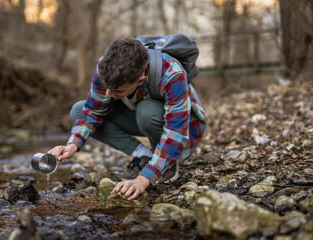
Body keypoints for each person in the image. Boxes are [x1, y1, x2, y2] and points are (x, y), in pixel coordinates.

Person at [48, 37, 206, 201]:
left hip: (181, 127)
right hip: (139, 116)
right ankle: (143, 155)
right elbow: (93, 110)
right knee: (78, 110)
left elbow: (176, 134)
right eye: (107, 88)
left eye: (117, 90)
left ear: (140, 81)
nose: (108, 94)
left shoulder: (172, 74)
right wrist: (72, 145)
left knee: (147, 111)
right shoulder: (106, 67)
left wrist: (143, 179)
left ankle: (168, 166)